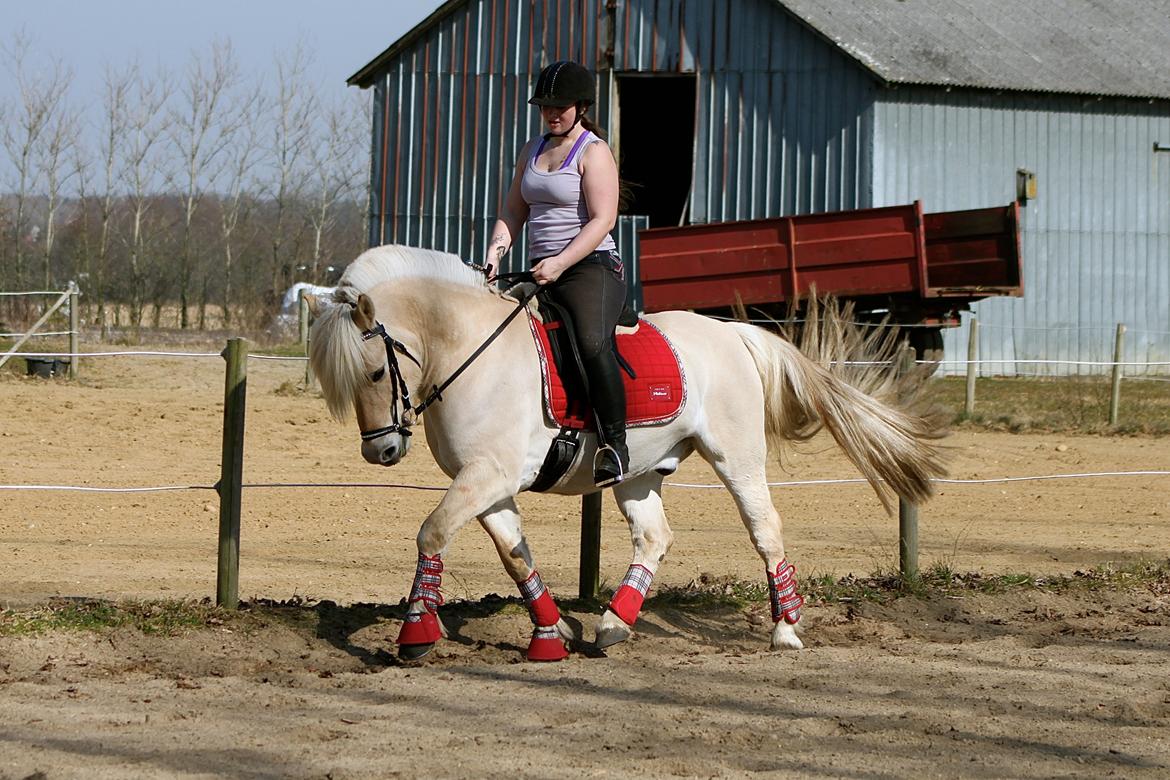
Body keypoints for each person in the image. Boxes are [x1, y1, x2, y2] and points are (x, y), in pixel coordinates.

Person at [484, 60, 628, 488]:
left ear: (580, 106)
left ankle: (614, 446)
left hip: (591, 267)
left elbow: (603, 220)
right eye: (545, 106)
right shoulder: (531, 149)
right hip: (541, 269)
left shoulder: (593, 151)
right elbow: (514, 209)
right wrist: (496, 250)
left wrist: (562, 261)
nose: (552, 113)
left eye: (560, 106)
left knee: (589, 339)